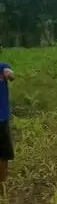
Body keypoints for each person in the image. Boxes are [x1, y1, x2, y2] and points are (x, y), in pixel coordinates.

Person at [0, 61, 15, 193]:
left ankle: (2, 183)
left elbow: (10, 74)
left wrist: (8, 74)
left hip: (1, 119)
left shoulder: (2, 67)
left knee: (4, 154)